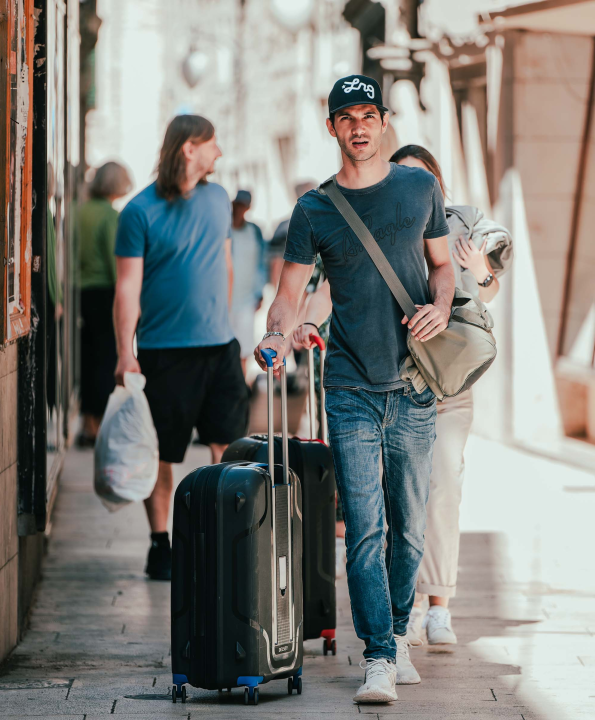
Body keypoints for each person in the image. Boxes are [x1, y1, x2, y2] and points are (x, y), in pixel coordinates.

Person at [255, 75, 454, 705]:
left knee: (412, 529)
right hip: (349, 390)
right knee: (365, 528)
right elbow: (290, 296)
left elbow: (444, 267)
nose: (360, 126)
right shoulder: (314, 211)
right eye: (348, 117)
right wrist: (277, 338)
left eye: (370, 114)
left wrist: (442, 308)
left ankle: (396, 629)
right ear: (333, 127)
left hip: (415, 386)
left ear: (385, 122)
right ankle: (378, 655)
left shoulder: (420, 188)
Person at [291, 144, 513, 645]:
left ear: (433, 185)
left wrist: (479, 270)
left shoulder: (459, 223)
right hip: (393, 376)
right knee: (394, 502)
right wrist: (306, 322)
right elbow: (330, 286)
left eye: (419, 179)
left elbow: (486, 292)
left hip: (447, 379)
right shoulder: (370, 218)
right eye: (401, 176)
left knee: (443, 488)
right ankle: (400, 612)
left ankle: (438, 604)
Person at [114, 115, 248, 581]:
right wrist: (124, 351)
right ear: (189, 149)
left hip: (219, 347)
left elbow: (225, 265)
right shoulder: (138, 211)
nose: (220, 153)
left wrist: (225, 322)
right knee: (163, 454)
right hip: (164, 352)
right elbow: (127, 288)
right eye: (213, 144)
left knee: (227, 447)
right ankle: (160, 542)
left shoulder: (216, 200)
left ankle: (225, 538)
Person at [76, 161, 134, 444]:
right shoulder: (110, 216)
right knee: (107, 358)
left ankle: (88, 421)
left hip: (82, 292)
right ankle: (99, 425)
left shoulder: (80, 211)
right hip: (106, 293)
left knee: (88, 358)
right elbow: (118, 265)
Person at [229, 190, 268, 378]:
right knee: (227, 346)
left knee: (244, 347)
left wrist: (260, 292)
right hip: (225, 299)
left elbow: (262, 263)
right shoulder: (223, 230)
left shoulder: (254, 231)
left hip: (246, 299)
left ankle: (242, 386)